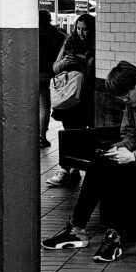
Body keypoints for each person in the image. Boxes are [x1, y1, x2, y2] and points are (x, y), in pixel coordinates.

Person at [41, 61, 136, 263]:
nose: (124, 101)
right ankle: (76, 228)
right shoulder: (133, 103)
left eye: (126, 95)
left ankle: (114, 237)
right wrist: (118, 148)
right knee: (99, 163)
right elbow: (131, 137)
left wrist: (132, 156)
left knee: (121, 173)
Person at [46, 13, 96, 186]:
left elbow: (91, 72)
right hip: (68, 95)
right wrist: (67, 61)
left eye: (85, 29)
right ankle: (67, 168)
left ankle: (73, 168)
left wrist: (82, 63)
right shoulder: (69, 42)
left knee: (80, 131)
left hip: (85, 97)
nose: (81, 33)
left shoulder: (96, 45)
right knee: (68, 131)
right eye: (79, 28)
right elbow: (55, 67)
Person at [38, 10, 65, 148]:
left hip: (31, 75)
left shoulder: (32, 33)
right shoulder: (55, 34)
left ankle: (32, 134)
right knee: (44, 107)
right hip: (48, 75)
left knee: (32, 107)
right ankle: (42, 136)